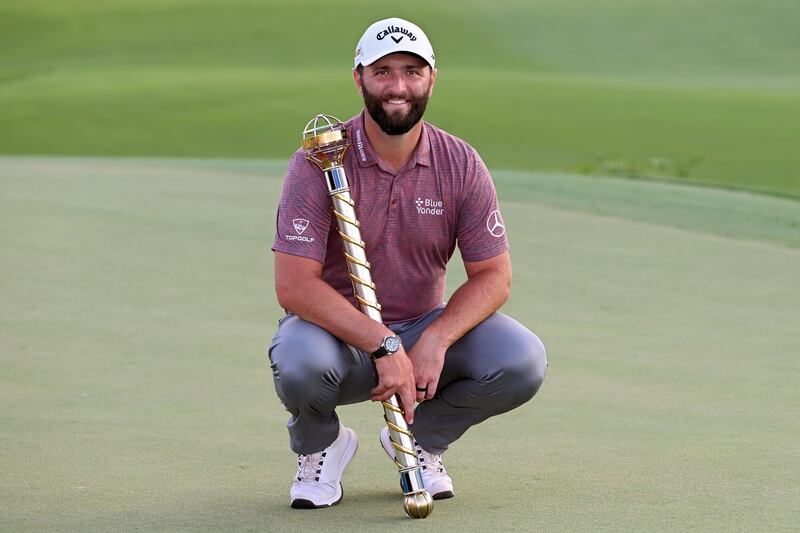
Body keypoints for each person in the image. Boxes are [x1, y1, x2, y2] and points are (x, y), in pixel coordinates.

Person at [268, 17, 547, 509]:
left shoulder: (460, 163)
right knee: (298, 362)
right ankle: (322, 447)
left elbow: (494, 275)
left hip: (422, 329)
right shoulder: (317, 160)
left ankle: (420, 441)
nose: (398, 86)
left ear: (432, 78)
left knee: (521, 359)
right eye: (383, 72)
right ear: (359, 78)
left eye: (413, 72)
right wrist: (383, 345)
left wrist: (434, 340)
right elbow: (293, 286)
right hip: (337, 339)